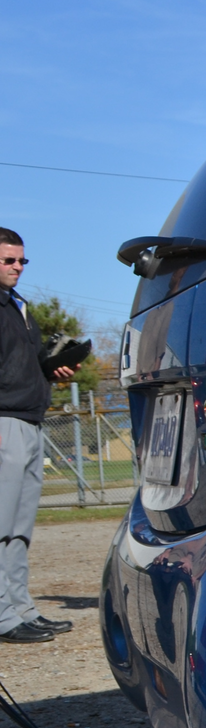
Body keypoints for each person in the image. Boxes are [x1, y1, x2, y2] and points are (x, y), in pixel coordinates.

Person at [0, 229, 76, 643]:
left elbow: (21, 364)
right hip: (4, 423)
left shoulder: (18, 305)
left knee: (18, 526)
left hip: (30, 420)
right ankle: (2, 617)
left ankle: (20, 608)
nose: (17, 267)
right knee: (0, 524)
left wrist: (51, 367)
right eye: (8, 260)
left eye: (21, 261)